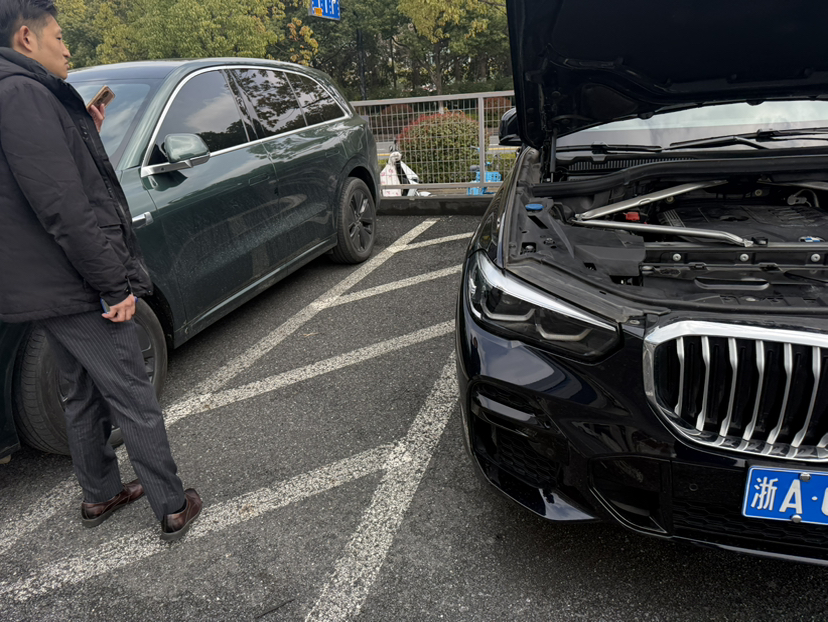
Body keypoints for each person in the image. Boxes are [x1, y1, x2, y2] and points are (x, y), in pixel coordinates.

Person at [0, 0, 202, 541]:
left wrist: (80, 127)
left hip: (49, 283)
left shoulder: (22, 94)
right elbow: (64, 207)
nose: (68, 49)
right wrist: (113, 285)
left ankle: (100, 493)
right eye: (59, 37)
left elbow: (37, 184)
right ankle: (172, 504)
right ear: (27, 38)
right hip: (73, 281)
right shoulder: (21, 94)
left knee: (81, 392)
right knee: (132, 392)